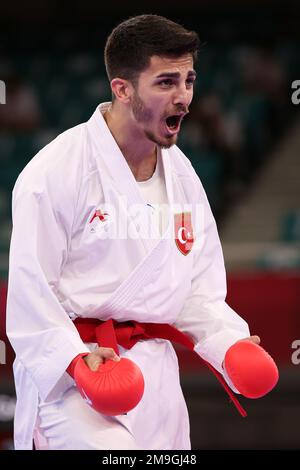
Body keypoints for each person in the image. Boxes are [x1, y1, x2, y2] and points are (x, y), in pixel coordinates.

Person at [6, 14, 259, 450]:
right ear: (122, 89)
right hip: (74, 382)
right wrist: (76, 359)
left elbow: (196, 289)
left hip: (155, 378)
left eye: (189, 80)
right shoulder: (56, 171)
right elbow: (30, 292)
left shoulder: (183, 177)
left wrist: (227, 342)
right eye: (166, 83)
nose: (183, 97)